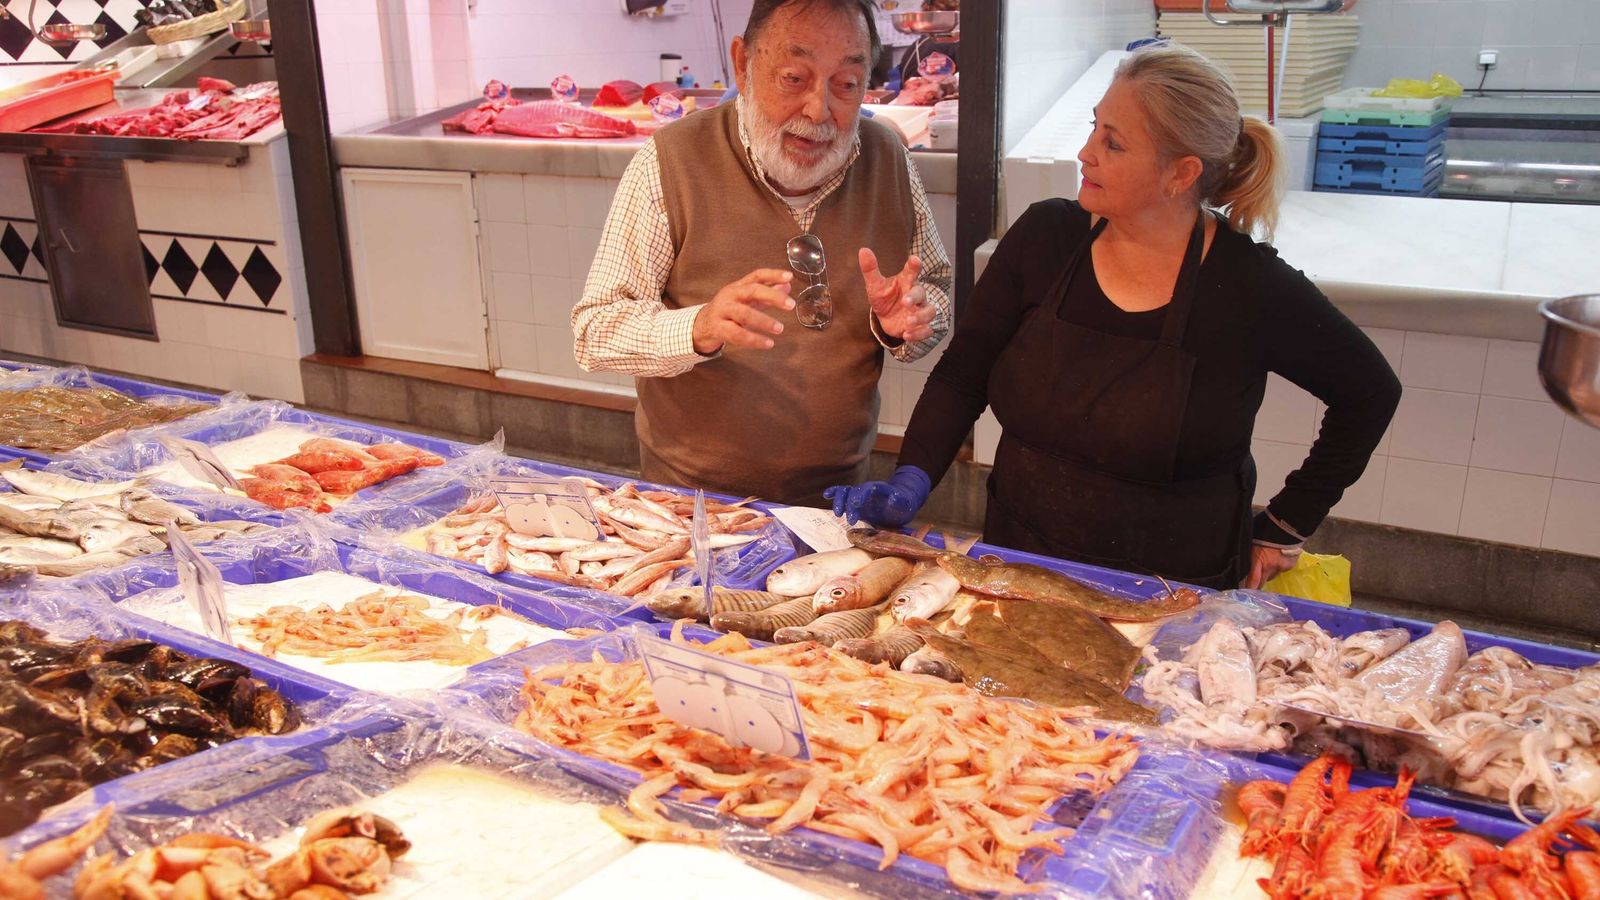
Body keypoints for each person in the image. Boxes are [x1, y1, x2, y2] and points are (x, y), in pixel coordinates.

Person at [826, 44, 1401, 591]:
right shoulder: (1045, 237)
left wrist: (1288, 522)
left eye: (1114, 143)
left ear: (1180, 174)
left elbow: (1370, 393)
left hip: (1173, 594)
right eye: (1094, 127)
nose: (1086, 153)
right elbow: (964, 371)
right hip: (1020, 566)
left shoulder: (1248, 287)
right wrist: (913, 479)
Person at [573, 0, 952, 507]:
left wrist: (907, 323)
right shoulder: (671, 160)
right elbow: (595, 330)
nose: (819, 112)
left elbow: (937, 294)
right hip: (690, 501)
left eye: (845, 84)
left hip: (840, 498)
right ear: (744, 65)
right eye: (794, 78)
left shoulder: (889, 158)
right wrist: (699, 327)